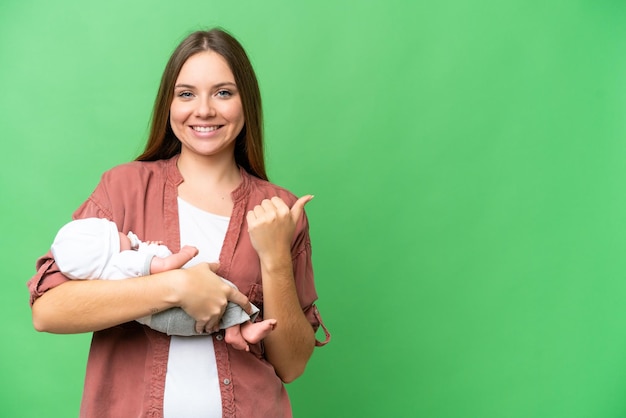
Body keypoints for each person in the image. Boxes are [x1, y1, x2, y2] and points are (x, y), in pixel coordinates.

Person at [28, 28, 330, 417]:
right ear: (168, 104)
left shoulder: (279, 210)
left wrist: (274, 259)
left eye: (223, 92)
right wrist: (175, 286)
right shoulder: (123, 188)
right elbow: (48, 311)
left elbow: (291, 365)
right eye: (186, 93)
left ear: (246, 103)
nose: (203, 110)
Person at [50, 217, 277, 350]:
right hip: (171, 313)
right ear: (109, 248)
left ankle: (242, 330)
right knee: (224, 289)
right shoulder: (125, 260)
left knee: (218, 302)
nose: (124, 232)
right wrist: (186, 254)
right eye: (117, 233)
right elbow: (165, 266)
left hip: (160, 322)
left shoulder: (104, 276)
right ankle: (239, 332)